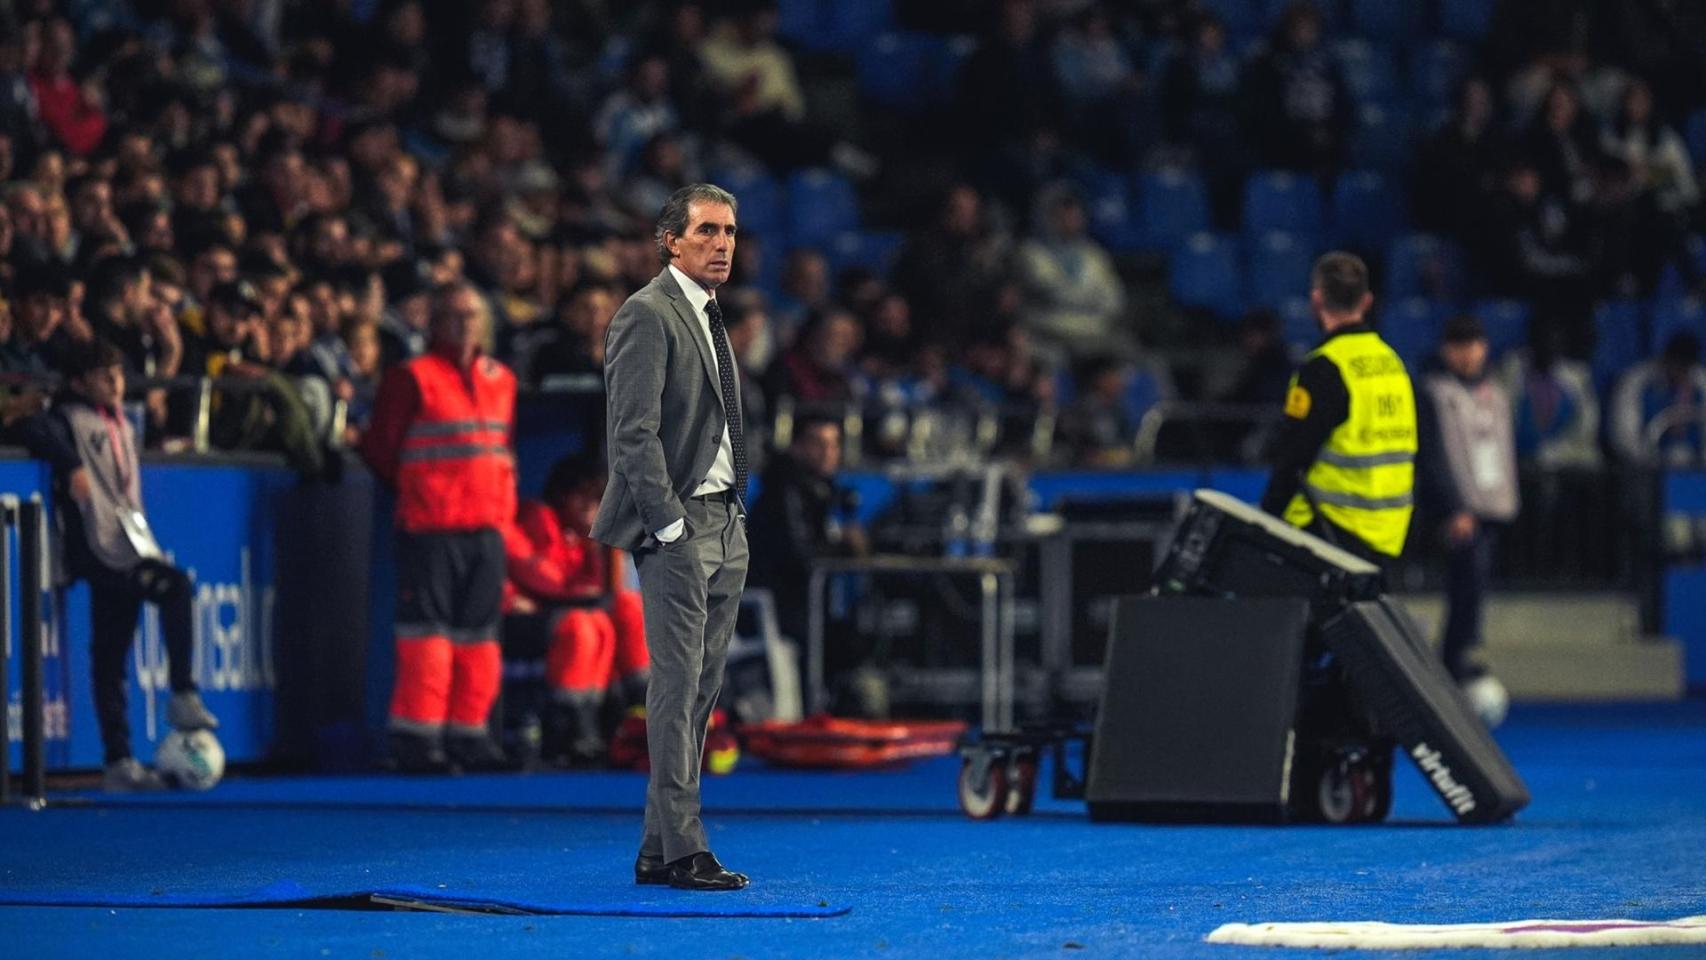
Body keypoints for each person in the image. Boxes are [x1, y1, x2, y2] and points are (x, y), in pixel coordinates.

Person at [591, 183, 750, 892]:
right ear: (671, 240)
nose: (722, 244)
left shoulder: (711, 317)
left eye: (730, 232)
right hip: (681, 526)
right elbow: (634, 433)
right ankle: (685, 848)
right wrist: (670, 524)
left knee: (700, 693)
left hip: (726, 520)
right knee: (677, 687)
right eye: (708, 231)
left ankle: (659, 850)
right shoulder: (647, 315)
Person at [15, 339, 217, 791]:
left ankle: (118, 760)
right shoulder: (68, 418)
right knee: (176, 587)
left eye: (119, 374)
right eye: (104, 376)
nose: (116, 383)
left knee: (110, 653)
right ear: (79, 382)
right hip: (96, 547)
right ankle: (182, 692)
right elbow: (30, 429)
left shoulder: (124, 422)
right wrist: (69, 463)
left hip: (128, 544)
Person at [361, 281, 517, 773]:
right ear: (434, 322)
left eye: (472, 315)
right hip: (430, 528)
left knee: (479, 639)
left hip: (487, 528)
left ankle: (470, 735)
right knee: (427, 638)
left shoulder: (501, 378)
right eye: (453, 316)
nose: (464, 325)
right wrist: (422, 491)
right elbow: (381, 449)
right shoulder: (412, 377)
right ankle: (417, 739)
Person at [1261, 252, 1417, 564]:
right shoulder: (1393, 363)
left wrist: (1267, 521)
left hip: (1330, 528)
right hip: (1388, 532)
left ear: (1316, 300)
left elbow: (1293, 453)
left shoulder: (1324, 367)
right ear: (1367, 301)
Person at [504, 453, 649, 764]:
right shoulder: (538, 517)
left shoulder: (584, 537)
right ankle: (569, 728)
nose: (589, 507)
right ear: (561, 495)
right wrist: (577, 591)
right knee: (583, 626)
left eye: (597, 500)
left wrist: (600, 547)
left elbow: (597, 588)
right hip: (521, 618)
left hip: (559, 610)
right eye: (581, 497)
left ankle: (642, 707)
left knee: (626, 606)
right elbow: (537, 576)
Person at [1417, 315, 1518, 726]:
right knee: (1465, 582)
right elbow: (1433, 456)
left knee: (1475, 584)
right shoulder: (1434, 392)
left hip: (1491, 503)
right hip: (1459, 510)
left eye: (1473, 344)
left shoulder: (1494, 392)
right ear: (1446, 349)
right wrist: (1453, 506)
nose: (1467, 353)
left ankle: (1459, 657)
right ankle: (1452, 663)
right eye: (1458, 345)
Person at [747, 415, 865, 651]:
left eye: (834, 444)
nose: (828, 452)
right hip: (781, 607)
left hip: (807, 606)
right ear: (797, 446)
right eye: (818, 443)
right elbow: (798, 553)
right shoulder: (784, 490)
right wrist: (844, 545)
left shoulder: (821, 491)